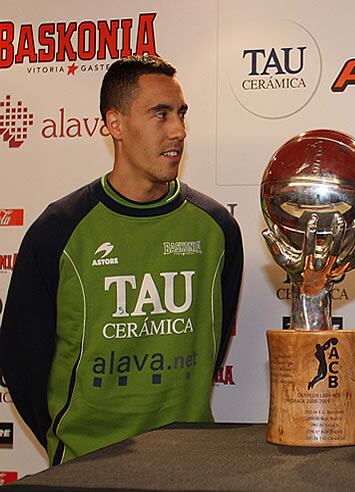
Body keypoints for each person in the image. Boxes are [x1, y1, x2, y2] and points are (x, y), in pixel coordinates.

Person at [0, 55, 243, 465]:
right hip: (84, 468)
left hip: (190, 465)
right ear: (115, 124)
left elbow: (212, 346)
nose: (179, 131)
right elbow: (22, 365)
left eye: (181, 114)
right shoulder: (58, 229)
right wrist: (71, 443)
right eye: (159, 115)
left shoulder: (216, 228)